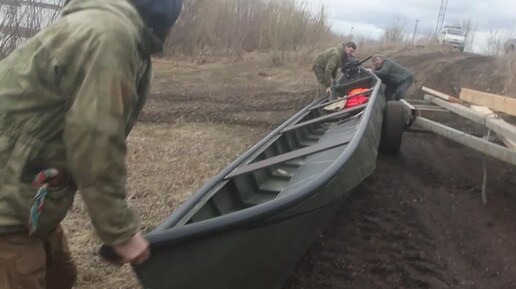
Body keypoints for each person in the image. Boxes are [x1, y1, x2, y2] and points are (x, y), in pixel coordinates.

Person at [0, 0, 183, 288]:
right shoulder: (110, 35)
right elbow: (96, 138)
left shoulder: (121, 33)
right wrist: (119, 231)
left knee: (60, 276)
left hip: (27, 188)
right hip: (8, 195)